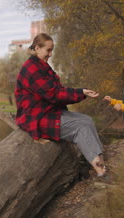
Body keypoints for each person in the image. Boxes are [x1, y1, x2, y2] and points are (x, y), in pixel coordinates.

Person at [15, 33, 106, 176]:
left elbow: (58, 90)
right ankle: (101, 172)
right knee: (80, 127)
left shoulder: (42, 66)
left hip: (49, 111)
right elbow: (53, 94)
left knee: (87, 120)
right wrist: (80, 93)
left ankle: (100, 160)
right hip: (36, 118)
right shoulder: (31, 69)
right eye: (48, 50)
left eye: (52, 50)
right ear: (37, 48)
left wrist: (82, 92)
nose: (50, 54)